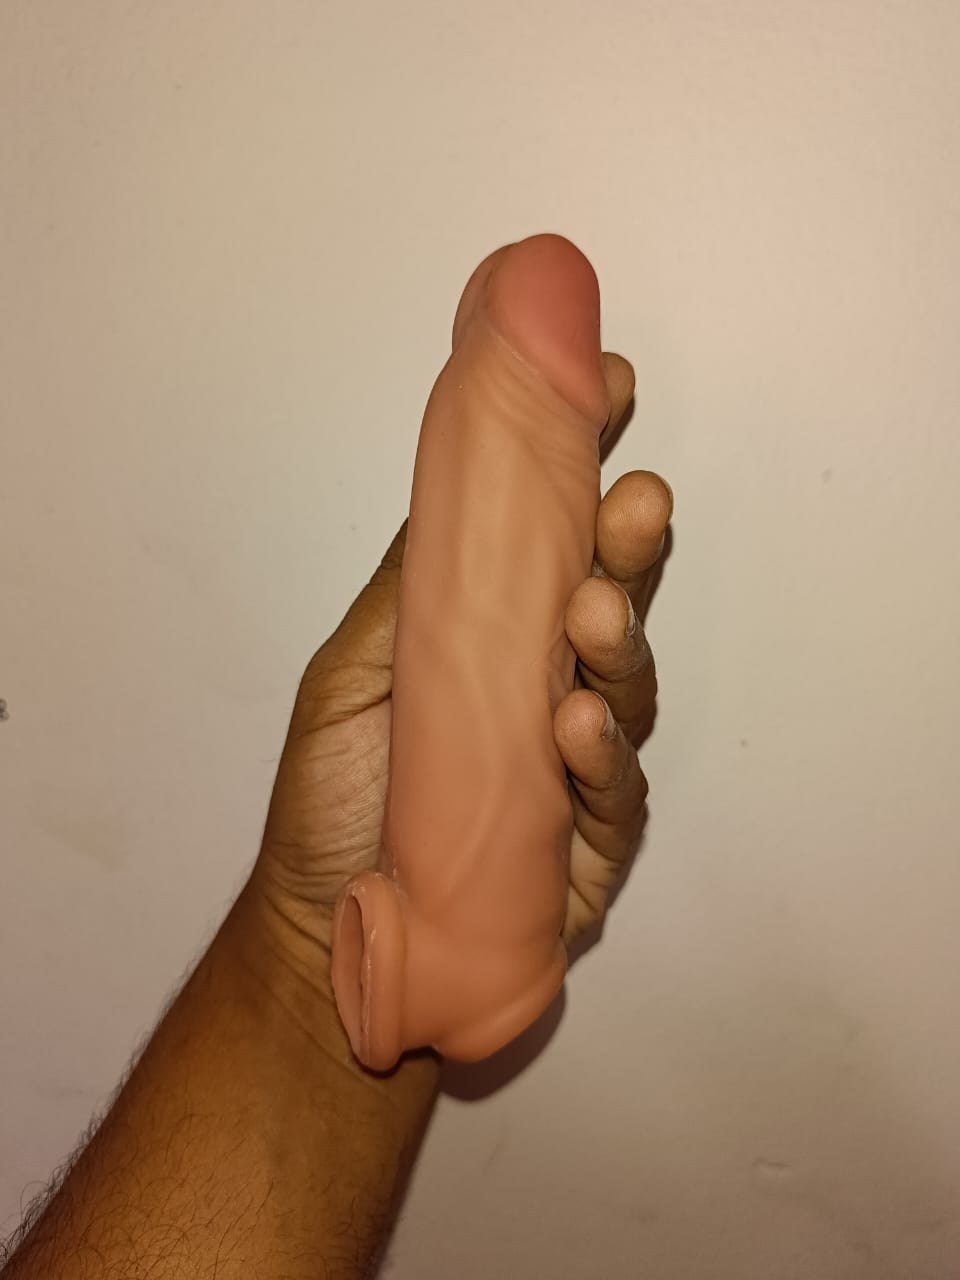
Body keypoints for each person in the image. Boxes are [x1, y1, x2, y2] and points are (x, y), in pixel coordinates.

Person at [1, 235, 672, 1280]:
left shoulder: (486, 398)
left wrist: (327, 958)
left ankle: (463, 961)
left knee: (535, 636)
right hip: (432, 945)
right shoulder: (496, 405)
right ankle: (464, 961)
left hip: (429, 947)